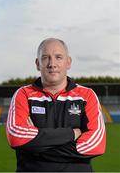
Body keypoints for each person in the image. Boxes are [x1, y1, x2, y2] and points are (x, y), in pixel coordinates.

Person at [6, 38, 106, 172]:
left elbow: (96, 145)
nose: (52, 64)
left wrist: (35, 147)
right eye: (45, 58)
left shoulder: (86, 95)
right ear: (37, 63)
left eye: (58, 57)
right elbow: (16, 137)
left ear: (68, 62)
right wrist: (71, 134)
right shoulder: (23, 94)